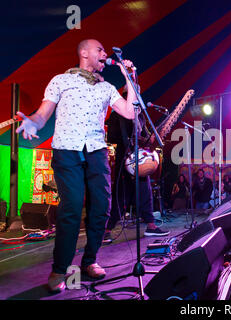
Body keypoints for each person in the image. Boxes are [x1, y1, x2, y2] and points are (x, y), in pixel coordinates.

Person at [16, 39, 137, 293]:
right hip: (67, 150)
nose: (105, 54)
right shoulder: (61, 80)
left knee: (102, 207)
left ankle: (90, 260)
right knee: (71, 207)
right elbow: (42, 113)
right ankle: (59, 269)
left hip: (96, 150)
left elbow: (130, 112)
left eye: (105, 51)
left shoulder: (107, 88)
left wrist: (130, 78)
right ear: (84, 53)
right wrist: (33, 124)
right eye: (100, 50)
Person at [103, 84, 169, 244]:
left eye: (138, 91)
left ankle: (151, 226)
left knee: (145, 191)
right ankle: (106, 230)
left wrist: (151, 139)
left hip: (139, 160)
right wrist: (131, 139)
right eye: (134, 91)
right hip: (125, 158)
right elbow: (111, 137)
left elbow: (145, 136)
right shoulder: (117, 113)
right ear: (126, 93)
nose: (137, 94)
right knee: (121, 195)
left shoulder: (140, 115)